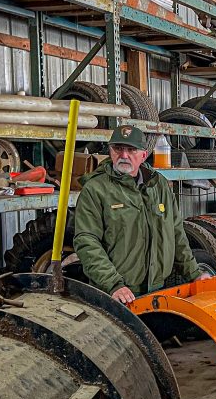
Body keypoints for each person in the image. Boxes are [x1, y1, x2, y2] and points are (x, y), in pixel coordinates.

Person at [74, 125, 209, 303]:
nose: (124, 155)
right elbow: (86, 241)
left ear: (144, 155)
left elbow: (176, 233)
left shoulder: (158, 184)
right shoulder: (96, 189)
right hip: (116, 294)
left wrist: (194, 273)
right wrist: (113, 284)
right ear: (110, 151)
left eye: (131, 150)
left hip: (158, 288)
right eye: (118, 149)